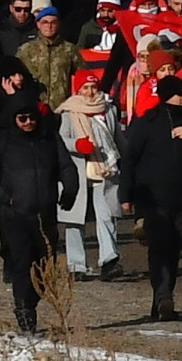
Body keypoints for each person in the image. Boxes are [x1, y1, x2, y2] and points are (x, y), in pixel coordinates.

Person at [0, 98, 78, 334]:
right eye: (22, 118)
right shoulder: (1, 141)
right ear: (14, 119)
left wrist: (70, 189)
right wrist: (3, 196)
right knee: (22, 265)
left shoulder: (48, 138)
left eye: (32, 117)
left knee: (45, 266)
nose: (28, 122)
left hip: (45, 214)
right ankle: (24, 310)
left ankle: (30, 301)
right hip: (15, 214)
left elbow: (66, 167)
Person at [119, 81, 182, 322]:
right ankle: (164, 296)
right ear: (167, 96)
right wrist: (125, 195)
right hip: (153, 199)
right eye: (179, 93)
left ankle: (160, 301)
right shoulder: (147, 123)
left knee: (174, 248)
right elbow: (129, 159)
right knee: (159, 248)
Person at [57, 78, 121, 285]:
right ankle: (76, 265)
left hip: (105, 170)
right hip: (77, 172)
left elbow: (118, 138)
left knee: (107, 215)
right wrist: (78, 144)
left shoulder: (108, 109)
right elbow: (61, 140)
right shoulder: (69, 111)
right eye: (86, 87)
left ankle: (109, 260)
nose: (91, 91)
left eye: (94, 87)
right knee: (75, 220)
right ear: (78, 89)